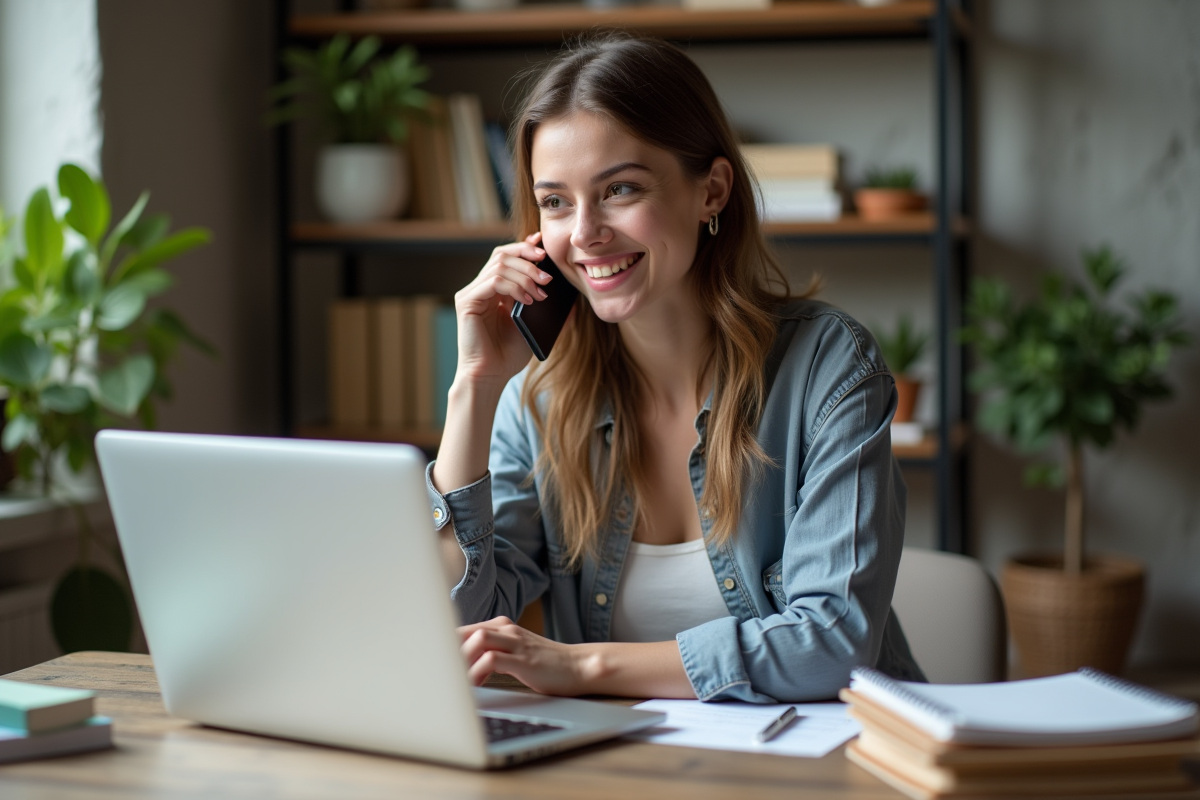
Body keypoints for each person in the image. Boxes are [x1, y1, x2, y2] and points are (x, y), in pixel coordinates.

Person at [427, 33, 924, 703]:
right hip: (633, 764)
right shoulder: (538, 399)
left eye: (620, 189)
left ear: (712, 191)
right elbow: (446, 628)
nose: (583, 234)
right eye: (555, 202)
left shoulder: (825, 369)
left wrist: (584, 667)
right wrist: (474, 388)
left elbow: (830, 645)